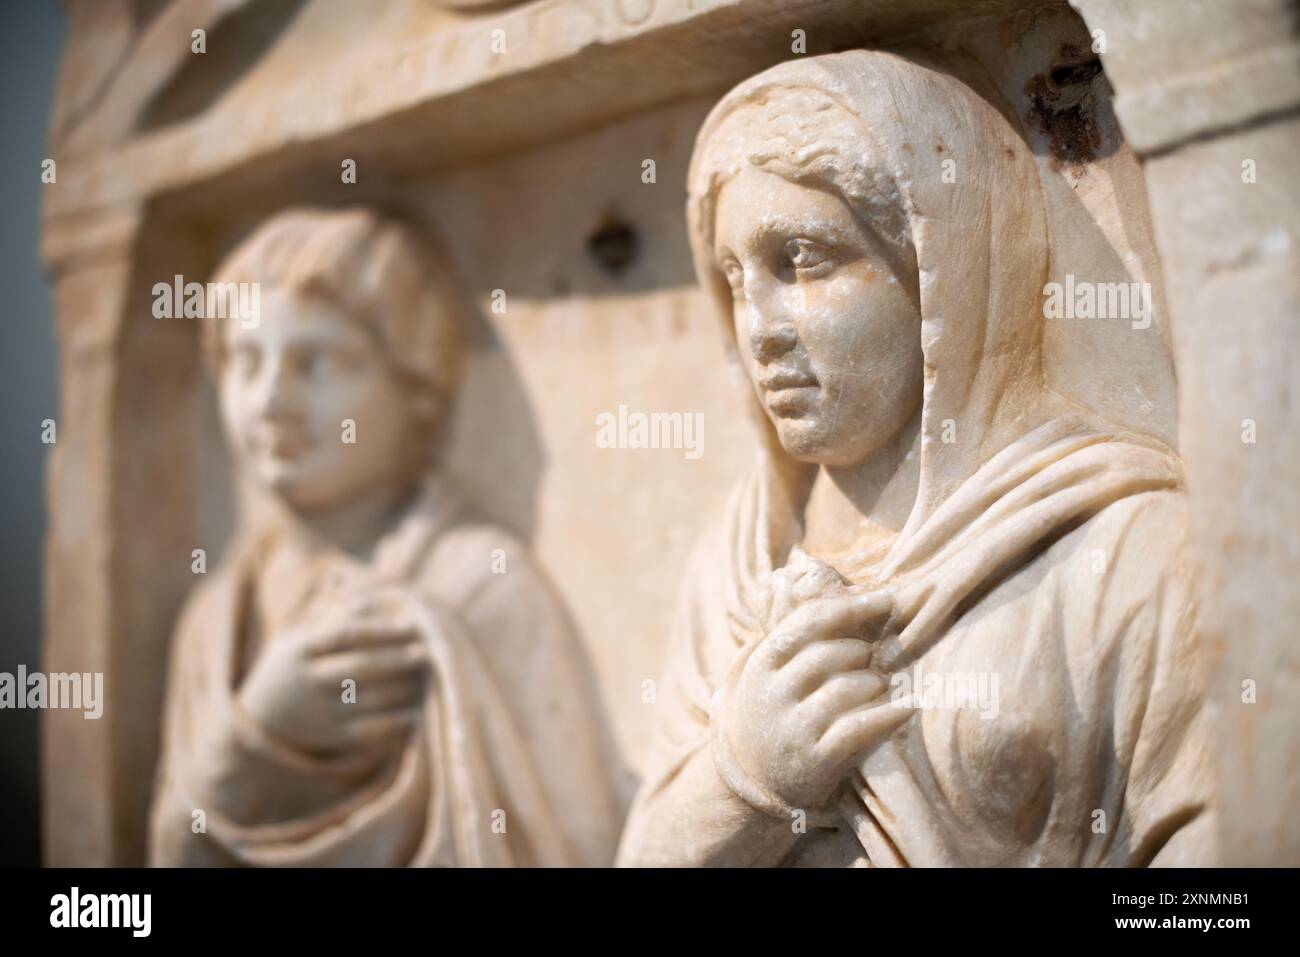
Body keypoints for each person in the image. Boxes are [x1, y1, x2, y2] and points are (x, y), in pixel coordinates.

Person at [616, 50, 1216, 867]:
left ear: (942, 272)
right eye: (733, 276)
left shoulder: (1125, 555)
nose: (759, 327)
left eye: (803, 259)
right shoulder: (740, 560)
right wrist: (740, 779)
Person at [149, 206, 619, 866]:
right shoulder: (212, 621)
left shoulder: (482, 586)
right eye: (246, 361)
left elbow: (577, 842)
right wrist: (257, 744)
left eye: (317, 362)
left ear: (418, 388)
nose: (271, 400)